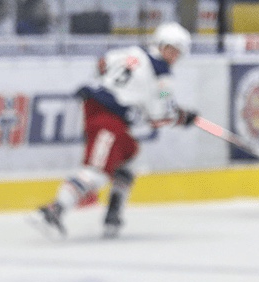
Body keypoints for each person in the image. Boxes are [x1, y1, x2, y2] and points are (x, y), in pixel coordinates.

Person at [34, 22, 197, 239]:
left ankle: (113, 215)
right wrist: (181, 117)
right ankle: (54, 210)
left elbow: (102, 63)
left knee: (128, 159)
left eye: (178, 53)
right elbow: (160, 114)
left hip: (102, 112)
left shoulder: (131, 53)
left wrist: (108, 86)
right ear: (160, 45)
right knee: (97, 171)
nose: (174, 56)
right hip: (109, 118)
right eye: (172, 50)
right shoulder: (162, 77)